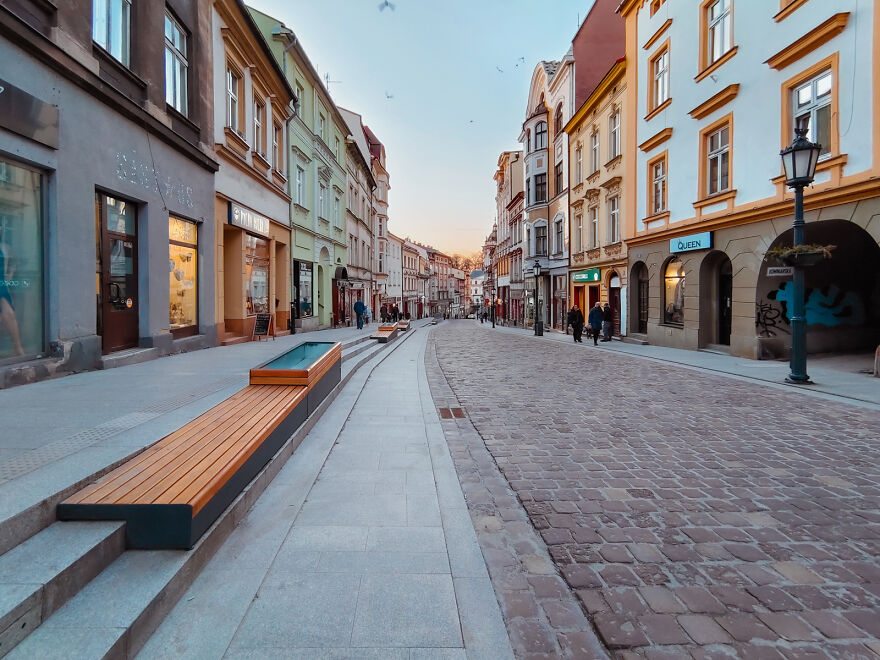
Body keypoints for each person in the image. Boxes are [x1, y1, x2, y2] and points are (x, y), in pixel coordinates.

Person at [0, 236, 24, 356]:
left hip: (2, 286)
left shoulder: (4, 247)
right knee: (7, 315)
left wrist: (10, 273)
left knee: (9, 314)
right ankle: (18, 349)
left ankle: (18, 348)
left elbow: (11, 263)